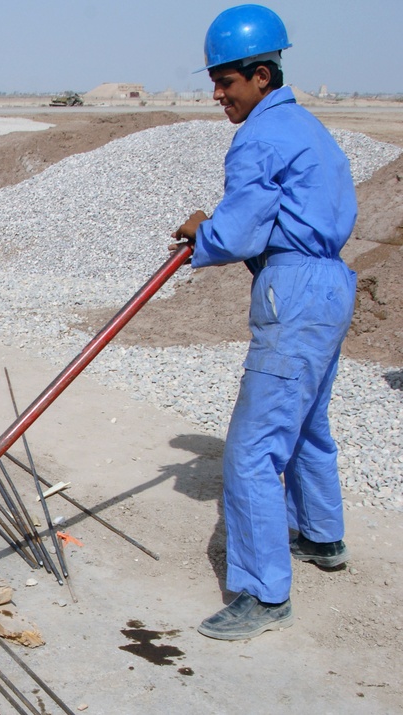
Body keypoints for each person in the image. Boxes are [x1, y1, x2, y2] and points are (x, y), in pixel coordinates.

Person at [171, 5, 357, 640]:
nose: (217, 94)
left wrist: (202, 232)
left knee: (251, 452)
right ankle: (324, 538)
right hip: (331, 283)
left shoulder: (258, 137)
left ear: (260, 75)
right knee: (307, 422)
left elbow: (240, 228)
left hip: (294, 291)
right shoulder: (309, 128)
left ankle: (262, 593)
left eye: (225, 82)